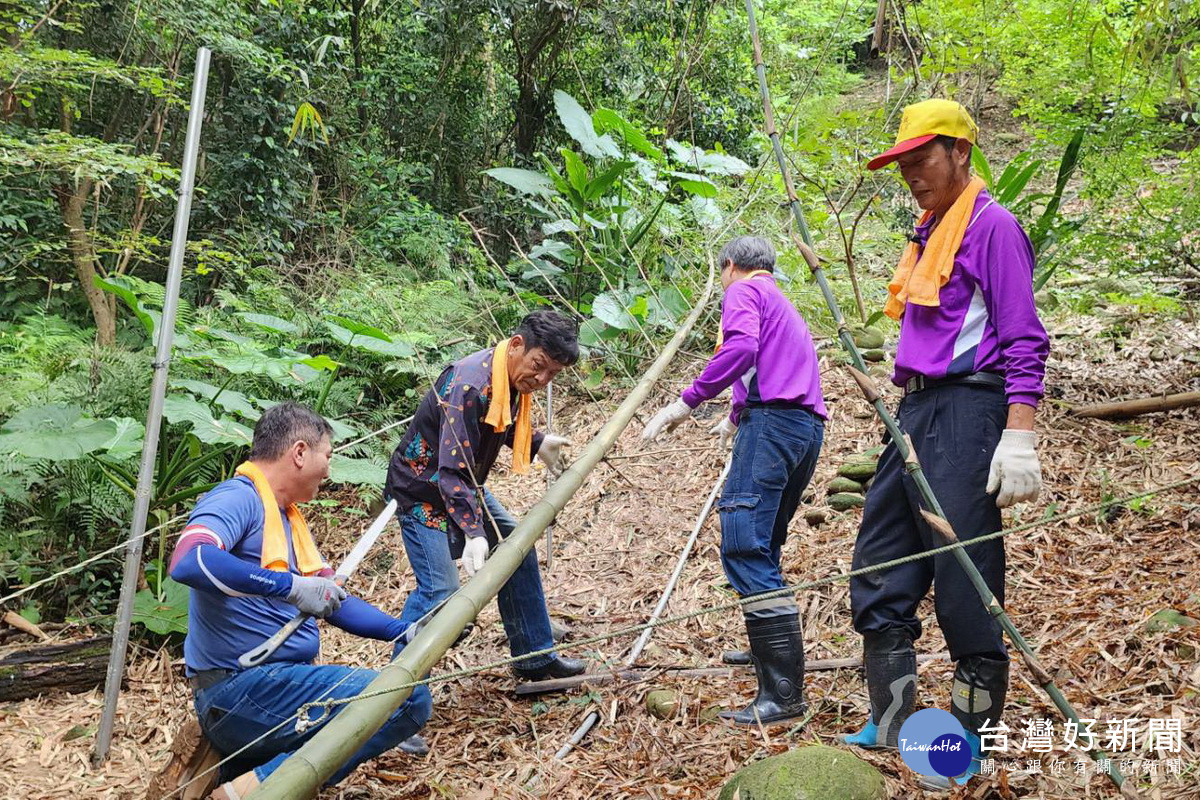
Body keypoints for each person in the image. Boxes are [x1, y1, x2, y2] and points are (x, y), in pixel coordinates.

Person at [843, 99, 1049, 789]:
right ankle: (893, 717)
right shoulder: (928, 230)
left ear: (962, 152)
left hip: (968, 408)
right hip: (916, 410)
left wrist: (1018, 435)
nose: (911, 175)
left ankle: (968, 742)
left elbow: (1023, 336)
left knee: (963, 575)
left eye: (922, 159)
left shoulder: (992, 228)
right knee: (878, 560)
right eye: (902, 163)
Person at [168, 402, 432, 799]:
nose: (330, 469)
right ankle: (251, 790)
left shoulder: (288, 520)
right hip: (242, 690)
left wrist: (404, 630)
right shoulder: (238, 499)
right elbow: (189, 559)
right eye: (328, 455)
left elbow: (333, 602)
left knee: (402, 692)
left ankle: (253, 782)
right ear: (299, 452)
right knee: (407, 698)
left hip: (270, 689)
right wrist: (288, 586)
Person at [642, 236, 827, 725]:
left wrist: (688, 400)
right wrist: (734, 414)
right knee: (764, 541)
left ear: (729, 266)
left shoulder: (742, 291)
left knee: (744, 544)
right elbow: (768, 361)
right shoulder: (780, 300)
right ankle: (767, 655)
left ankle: (783, 695)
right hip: (804, 429)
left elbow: (743, 347)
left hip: (774, 426)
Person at [384, 309, 585, 682]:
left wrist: (537, 441)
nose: (541, 380)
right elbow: (452, 467)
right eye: (539, 366)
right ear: (518, 345)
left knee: (514, 549)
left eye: (552, 375)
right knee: (440, 591)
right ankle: (391, 698)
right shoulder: (469, 384)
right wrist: (474, 532)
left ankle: (534, 658)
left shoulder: (504, 376)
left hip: (461, 484)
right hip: (421, 491)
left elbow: (493, 422)